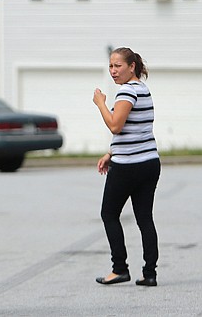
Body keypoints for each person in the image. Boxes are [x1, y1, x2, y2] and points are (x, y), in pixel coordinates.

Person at [93, 47, 160, 287]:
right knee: (144, 218)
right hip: (149, 162)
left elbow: (115, 126)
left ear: (132, 66)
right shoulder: (143, 89)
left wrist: (100, 103)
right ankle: (149, 273)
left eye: (118, 66)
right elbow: (137, 129)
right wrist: (111, 152)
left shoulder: (126, 92)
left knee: (109, 214)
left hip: (128, 167)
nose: (113, 71)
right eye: (110, 66)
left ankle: (119, 268)